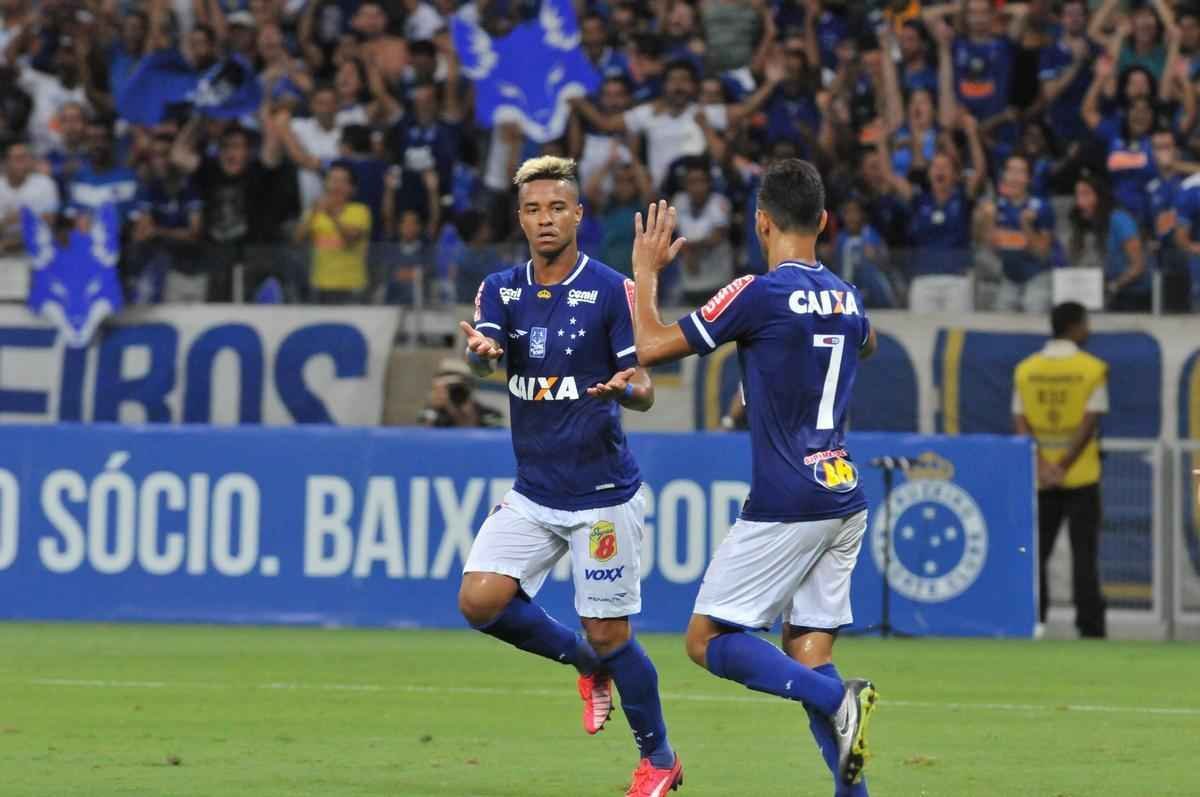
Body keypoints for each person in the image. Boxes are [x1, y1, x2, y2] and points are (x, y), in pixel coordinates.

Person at [629, 161, 879, 793]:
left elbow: (652, 347)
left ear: (761, 222)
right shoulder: (848, 298)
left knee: (706, 639)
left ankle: (834, 701)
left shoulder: (757, 292)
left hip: (787, 498)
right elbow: (865, 343)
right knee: (808, 653)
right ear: (823, 222)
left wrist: (646, 273)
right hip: (842, 495)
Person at [456, 156, 682, 797]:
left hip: (602, 494)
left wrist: (626, 391)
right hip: (534, 491)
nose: (544, 219)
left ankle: (658, 758)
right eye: (532, 209)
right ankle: (586, 665)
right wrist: (481, 359)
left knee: (611, 632)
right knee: (479, 600)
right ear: (520, 219)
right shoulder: (502, 288)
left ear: (578, 214)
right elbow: (484, 358)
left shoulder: (612, 289)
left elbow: (642, 385)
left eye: (557, 207)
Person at [1013, 302, 1108, 639]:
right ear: (1074, 327)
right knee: (1085, 555)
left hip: (1040, 477)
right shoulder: (1092, 368)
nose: (1089, 329)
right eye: (1086, 323)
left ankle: (1034, 622)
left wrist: (1042, 464)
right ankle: (1091, 628)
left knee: (1037, 553)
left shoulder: (1026, 370)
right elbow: (1090, 421)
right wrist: (1064, 465)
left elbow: (1021, 421)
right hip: (1081, 475)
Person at [295, 163, 371, 304]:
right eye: (332, 180)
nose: (336, 186)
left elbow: (351, 238)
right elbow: (297, 240)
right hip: (320, 286)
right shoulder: (314, 211)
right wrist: (312, 213)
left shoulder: (360, 211)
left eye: (342, 181)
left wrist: (331, 214)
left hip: (351, 287)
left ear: (351, 188)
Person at [417, 358, 503, 428]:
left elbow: (496, 442)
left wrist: (468, 414)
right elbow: (424, 442)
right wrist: (435, 408)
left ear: (470, 386)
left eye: (457, 386)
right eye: (448, 387)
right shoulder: (432, 415)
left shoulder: (490, 416)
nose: (456, 391)